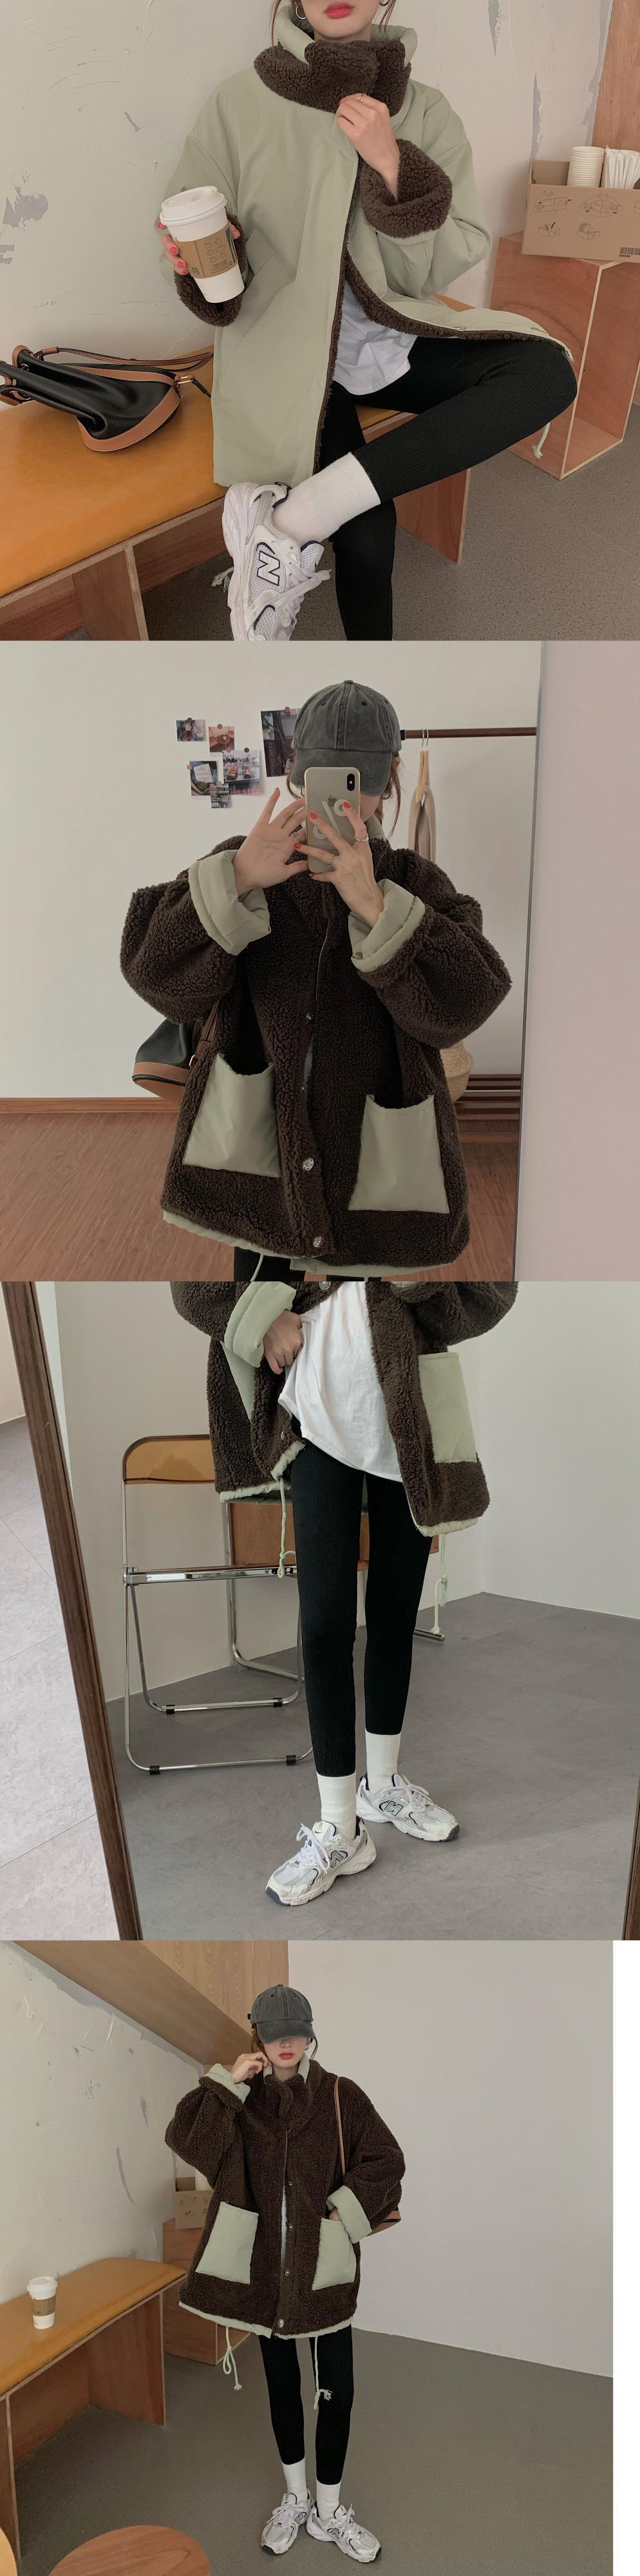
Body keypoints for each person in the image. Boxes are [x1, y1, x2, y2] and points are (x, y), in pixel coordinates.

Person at [156, 0, 577, 640]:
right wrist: (200, 261)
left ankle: (291, 521)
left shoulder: (426, 110)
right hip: (287, 353)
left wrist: (392, 166)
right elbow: (193, 234)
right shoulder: (239, 103)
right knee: (369, 536)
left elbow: (440, 262)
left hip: (390, 337)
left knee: (546, 373)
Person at [120, 680, 511, 1275]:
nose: (343, 799)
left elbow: (468, 1000)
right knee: (260, 1291)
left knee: (361, 1306)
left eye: (354, 780)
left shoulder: (411, 881)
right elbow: (153, 969)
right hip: (258, 1168)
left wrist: (377, 906)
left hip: (374, 1178)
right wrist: (236, 878)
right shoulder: (245, 861)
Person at [171, 1273, 516, 1904]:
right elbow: (190, 1281)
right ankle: (340, 1827)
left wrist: (421, 1283)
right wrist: (260, 1319)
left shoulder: (423, 1208)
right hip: (315, 1422)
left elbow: (491, 1294)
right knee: (325, 1625)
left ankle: (381, 1787)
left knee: (393, 1615)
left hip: (408, 1420)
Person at [165, 1982, 405, 2557]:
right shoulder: (242, 2098)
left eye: (296, 2031)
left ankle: (329, 2510)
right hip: (264, 2276)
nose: (287, 2043)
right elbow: (188, 2139)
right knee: (281, 2389)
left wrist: (342, 2211)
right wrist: (226, 2081)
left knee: (337, 2392)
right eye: (275, 2034)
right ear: (258, 2037)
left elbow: (387, 2159)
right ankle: (296, 2497)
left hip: (321, 2271)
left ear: (310, 2033)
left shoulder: (341, 2095)